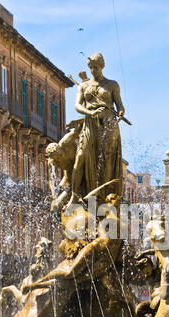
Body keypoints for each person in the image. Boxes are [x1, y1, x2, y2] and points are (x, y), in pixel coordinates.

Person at [68, 52, 125, 207]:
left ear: (102, 67)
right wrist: (89, 112)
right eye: (91, 67)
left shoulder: (112, 85)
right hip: (90, 123)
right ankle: (75, 194)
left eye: (96, 67)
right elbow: (77, 105)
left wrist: (120, 113)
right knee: (81, 155)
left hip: (108, 123)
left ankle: (103, 195)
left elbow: (120, 106)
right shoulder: (84, 86)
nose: (93, 70)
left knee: (107, 158)